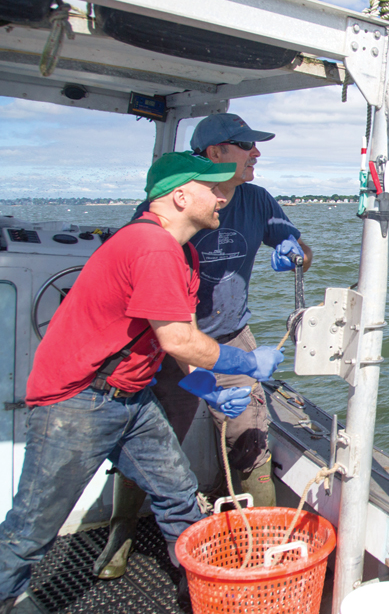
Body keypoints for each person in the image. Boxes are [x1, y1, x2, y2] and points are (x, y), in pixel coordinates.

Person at [0, 152, 285, 613]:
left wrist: (209, 389)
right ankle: (8, 596)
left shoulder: (184, 253)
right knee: (33, 524)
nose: (222, 198)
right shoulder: (150, 247)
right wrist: (248, 363)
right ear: (178, 196)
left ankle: (202, 590)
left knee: (177, 495)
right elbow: (178, 339)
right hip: (78, 401)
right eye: (213, 189)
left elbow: (176, 337)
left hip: (132, 398)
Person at [94, 113, 313, 579]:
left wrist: (295, 249)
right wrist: (193, 372)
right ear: (215, 153)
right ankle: (122, 530)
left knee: (251, 437)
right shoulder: (172, 204)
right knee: (149, 440)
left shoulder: (257, 199)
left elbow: (302, 248)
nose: (257, 154)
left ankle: (257, 538)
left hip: (231, 336)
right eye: (246, 146)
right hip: (168, 343)